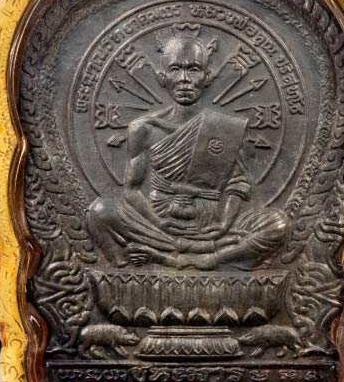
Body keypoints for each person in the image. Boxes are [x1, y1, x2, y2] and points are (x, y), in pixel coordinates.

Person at [86, 25, 288, 270]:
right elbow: (132, 190)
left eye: (193, 69)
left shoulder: (227, 127)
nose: (184, 79)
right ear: (162, 77)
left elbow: (238, 184)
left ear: (207, 76)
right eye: (175, 69)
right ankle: (141, 262)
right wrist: (159, 223)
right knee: (100, 211)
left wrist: (224, 224)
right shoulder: (143, 128)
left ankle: (198, 258)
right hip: (160, 225)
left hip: (212, 228)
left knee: (277, 224)